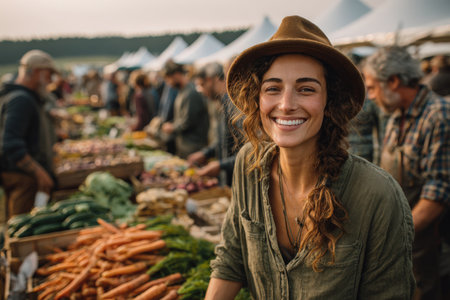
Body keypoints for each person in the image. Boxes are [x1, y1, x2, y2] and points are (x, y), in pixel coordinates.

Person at [205, 16, 415, 299]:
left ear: (330, 100)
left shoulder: (377, 195)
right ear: (257, 99)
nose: (287, 104)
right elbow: (231, 258)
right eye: (273, 88)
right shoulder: (249, 166)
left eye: (306, 89)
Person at [363, 46, 450, 300]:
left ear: (393, 81)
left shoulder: (438, 116)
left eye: (372, 88)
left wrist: (394, 237)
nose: (370, 97)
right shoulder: (395, 117)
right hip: (404, 245)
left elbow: (438, 192)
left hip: (432, 247)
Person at [0, 49, 57, 218]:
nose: (50, 80)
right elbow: (11, 143)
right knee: (20, 226)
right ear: (37, 72)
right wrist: (39, 173)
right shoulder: (21, 99)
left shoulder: (23, 97)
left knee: (16, 223)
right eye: (48, 75)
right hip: (21, 176)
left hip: (20, 175)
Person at [188, 62, 239, 186]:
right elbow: (225, 140)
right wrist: (206, 153)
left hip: (238, 180)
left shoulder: (234, 105)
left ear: (212, 80)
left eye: (201, 85)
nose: (200, 91)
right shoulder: (222, 103)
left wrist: (220, 165)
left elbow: (249, 151)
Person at [160, 61, 209, 159]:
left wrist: (171, 127)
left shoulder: (190, 93)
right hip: (184, 145)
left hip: (192, 147)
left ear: (177, 74)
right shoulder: (182, 91)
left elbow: (188, 122)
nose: (168, 83)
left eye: (168, 78)